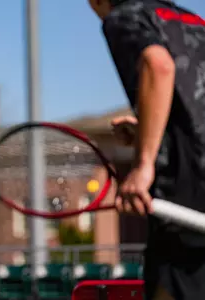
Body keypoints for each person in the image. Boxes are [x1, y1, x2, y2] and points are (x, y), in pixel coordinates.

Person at [88, 0, 205, 299]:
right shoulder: (190, 20)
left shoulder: (126, 18)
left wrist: (144, 164)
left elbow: (159, 65)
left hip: (187, 194)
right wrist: (150, 131)